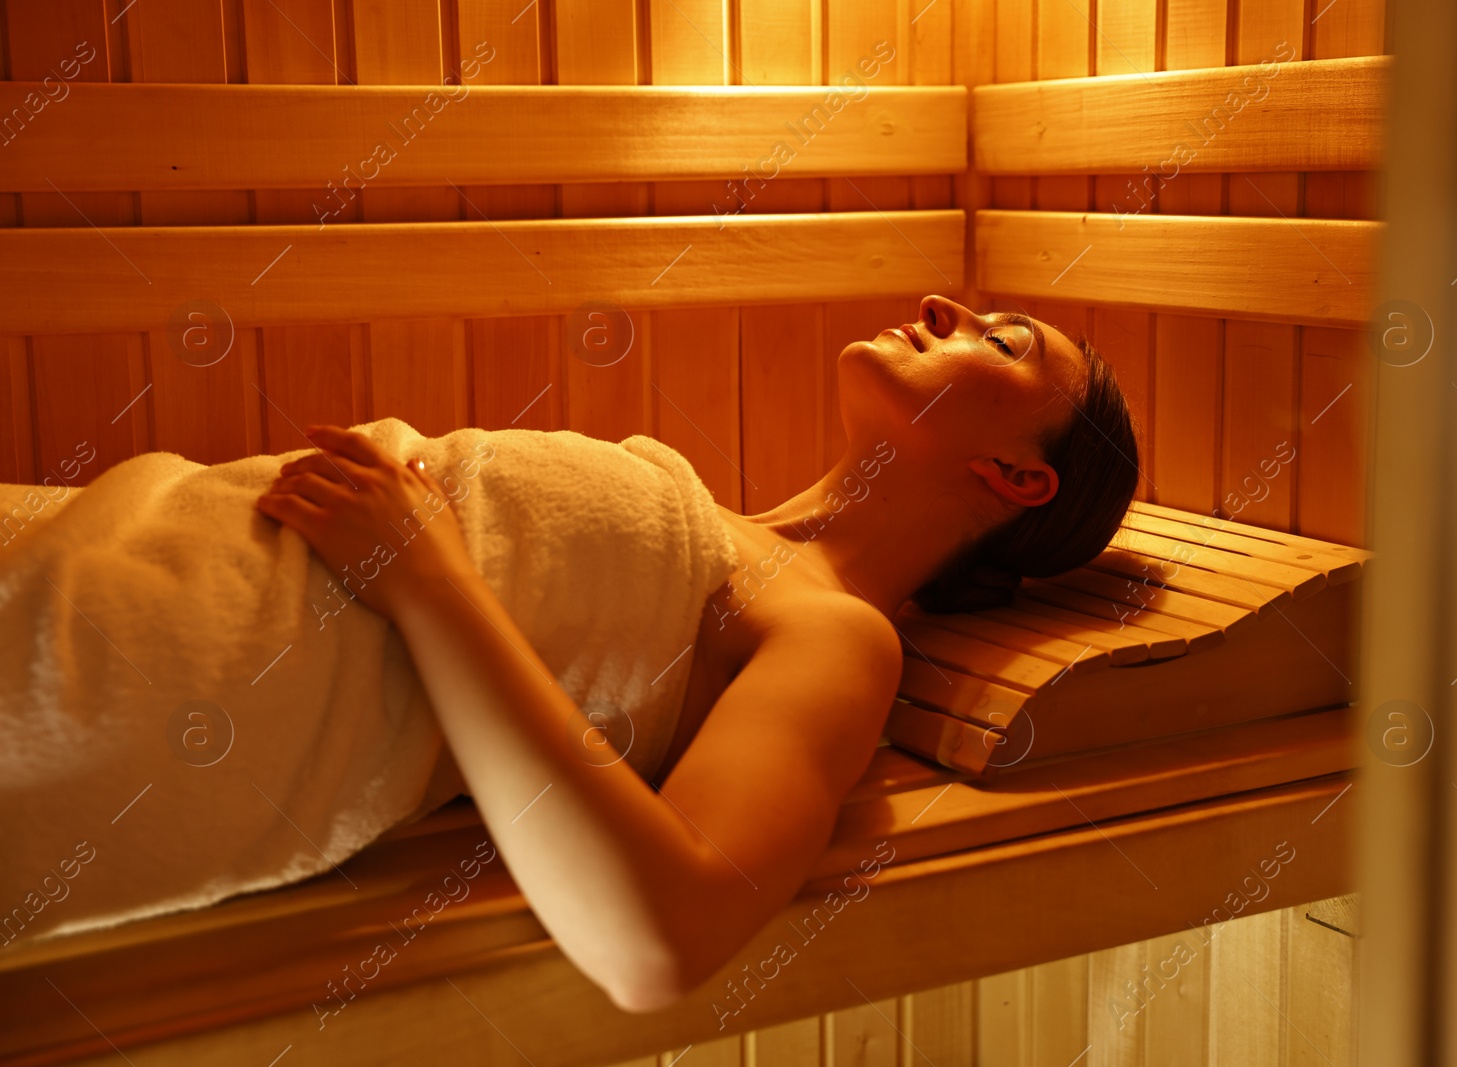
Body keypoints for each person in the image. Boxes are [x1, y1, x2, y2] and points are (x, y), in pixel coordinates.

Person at [254, 293, 1141, 1012]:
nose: (943, 306)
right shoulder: (723, 531)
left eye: (1006, 343)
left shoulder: (837, 631)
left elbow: (664, 937)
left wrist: (422, 574)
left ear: (1017, 476)